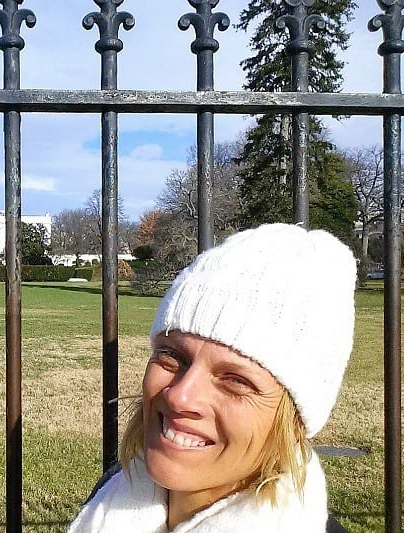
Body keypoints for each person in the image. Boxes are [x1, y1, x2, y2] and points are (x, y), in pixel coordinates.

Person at [68, 223, 356, 532]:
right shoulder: (112, 495)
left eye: (236, 381)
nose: (180, 396)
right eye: (172, 356)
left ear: (295, 421)